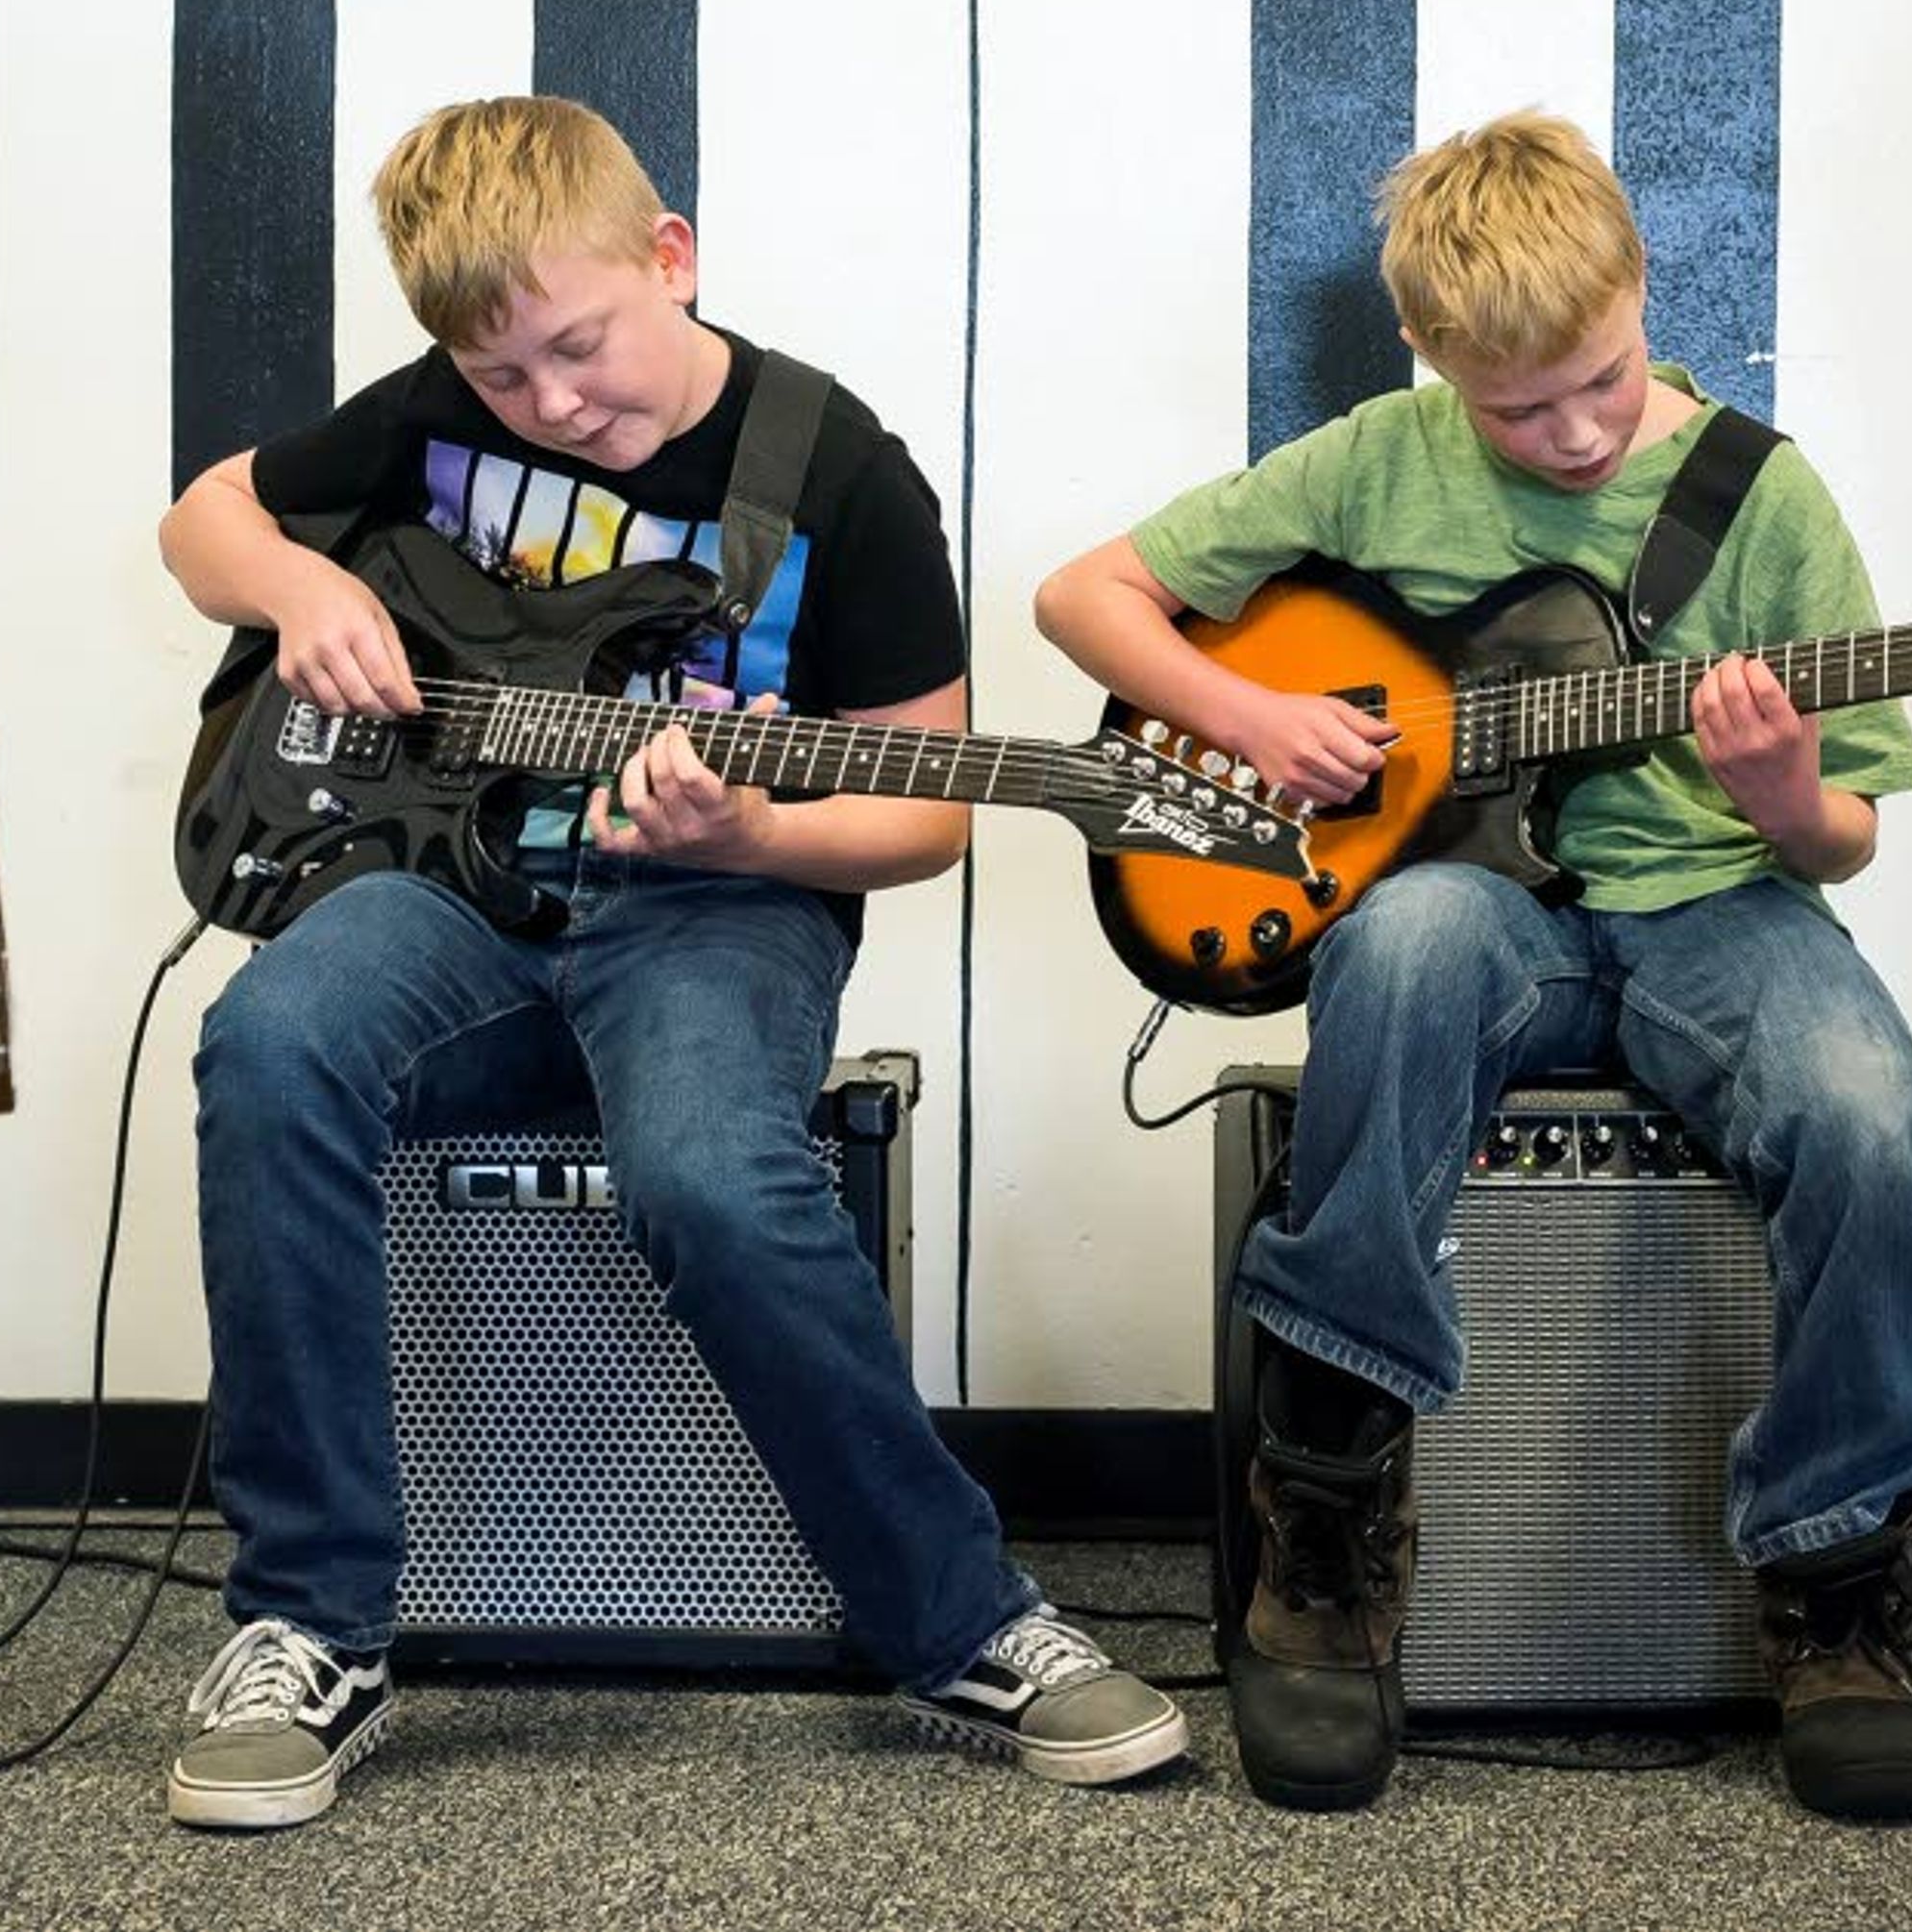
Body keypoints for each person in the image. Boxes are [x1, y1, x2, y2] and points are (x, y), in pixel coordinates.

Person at [152, 93, 1184, 1829]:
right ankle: (308, 1626)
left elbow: (925, 814)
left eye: (580, 348)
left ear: (671, 257)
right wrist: (290, 596)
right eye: (504, 384)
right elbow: (201, 524)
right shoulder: (427, 420)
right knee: (269, 1043)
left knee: (707, 1170)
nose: (554, 406)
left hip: (717, 905)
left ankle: (964, 1617)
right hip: (446, 897)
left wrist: (751, 835)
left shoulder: (835, 468)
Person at [1035, 109, 1912, 1819]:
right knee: (1397, 946)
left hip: (1717, 905)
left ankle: (1838, 1586)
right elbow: (1081, 596)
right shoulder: (1380, 455)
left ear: (1639, 296)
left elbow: (1844, 841)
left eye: (1603, 382)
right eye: (1518, 407)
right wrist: (1256, 716)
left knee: (1874, 1109)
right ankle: (1323, 1518)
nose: (1572, 432)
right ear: (1433, 356)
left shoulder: (1766, 502)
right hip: (1487, 911)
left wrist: (1784, 792)